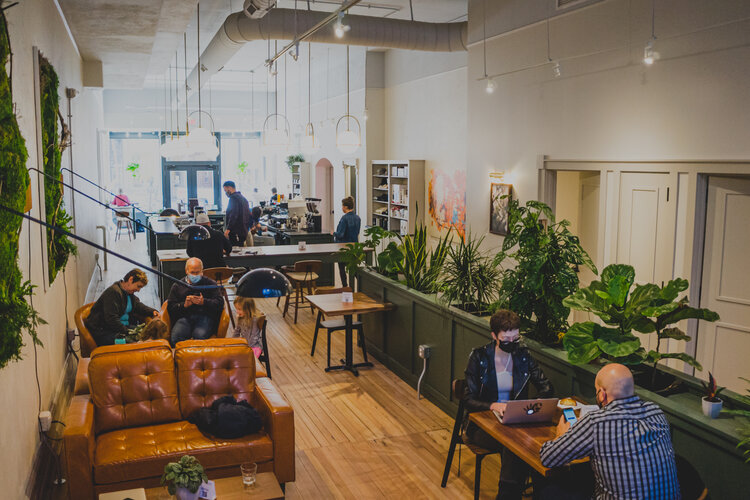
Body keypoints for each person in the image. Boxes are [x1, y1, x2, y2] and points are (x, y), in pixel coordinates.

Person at [539, 363, 680, 500]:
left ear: (602, 394)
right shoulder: (656, 412)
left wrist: (561, 436)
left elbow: (548, 458)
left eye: (596, 391)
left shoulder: (597, 422)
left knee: (550, 492)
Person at [463, 309, 553, 500]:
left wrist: (535, 404)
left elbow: (546, 386)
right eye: (506, 340)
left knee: (531, 442)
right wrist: (493, 406)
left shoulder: (522, 356)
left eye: (516, 339)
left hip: (516, 420)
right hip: (482, 425)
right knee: (515, 445)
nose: (511, 344)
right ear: (494, 335)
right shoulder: (479, 358)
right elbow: (467, 399)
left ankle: (525, 493)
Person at [84, 268, 159, 346]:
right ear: (131, 279)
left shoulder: (128, 293)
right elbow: (111, 319)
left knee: (148, 336)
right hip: (105, 332)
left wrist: (152, 311)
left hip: (121, 328)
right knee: (136, 343)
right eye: (138, 286)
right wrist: (128, 332)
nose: (138, 290)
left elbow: (138, 305)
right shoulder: (113, 292)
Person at [166, 257, 224, 346]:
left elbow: (220, 303)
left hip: (205, 316)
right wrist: (184, 305)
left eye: (198, 272)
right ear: (186, 271)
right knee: (176, 337)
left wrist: (204, 302)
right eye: (192, 272)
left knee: (199, 337)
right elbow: (170, 307)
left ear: (202, 271)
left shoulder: (210, 284)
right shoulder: (178, 285)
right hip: (185, 317)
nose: (195, 275)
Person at [333, 196, 361, 287]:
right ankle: (362, 284)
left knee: (342, 268)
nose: (342, 208)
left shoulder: (344, 219)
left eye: (342, 206)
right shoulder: (358, 218)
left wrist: (333, 233)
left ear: (345, 207)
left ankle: (345, 286)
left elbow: (340, 234)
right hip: (354, 247)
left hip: (343, 247)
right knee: (353, 267)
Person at [222, 180, 251, 247]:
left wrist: (228, 229)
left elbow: (234, 215)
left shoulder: (233, 198)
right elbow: (248, 214)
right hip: (243, 231)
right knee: (240, 250)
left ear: (229, 187)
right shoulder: (243, 198)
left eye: (225, 190)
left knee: (235, 251)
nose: (225, 192)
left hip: (235, 231)